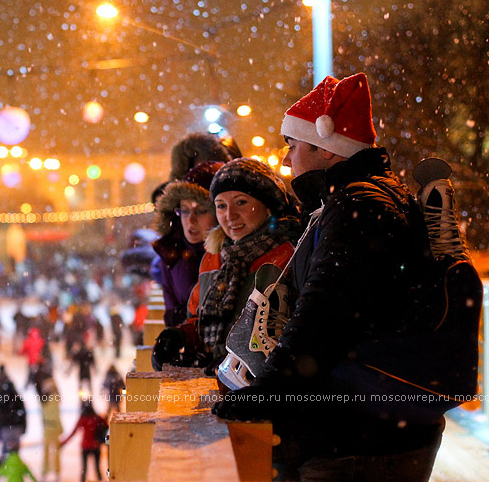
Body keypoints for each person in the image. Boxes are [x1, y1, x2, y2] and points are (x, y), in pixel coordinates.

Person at [213, 73, 450, 480]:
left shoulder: (358, 207)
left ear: (326, 148)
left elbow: (325, 317)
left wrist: (266, 393)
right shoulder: (371, 198)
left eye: (292, 145)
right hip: (377, 429)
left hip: (360, 441)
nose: (287, 159)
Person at [187, 157, 301, 368]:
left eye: (241, 202)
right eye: (221, 206)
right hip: (216, 378)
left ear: (268, 207)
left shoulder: (289, 256)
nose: (230, 215)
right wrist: (181, 337)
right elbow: (196, 317)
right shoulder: (214, 256)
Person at [152, 160, 226, 327]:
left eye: (201, 211)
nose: (190, 220)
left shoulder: (232, 253)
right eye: (184, 210)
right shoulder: (170, 252)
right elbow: (172, 314)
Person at [60, 399, 107, 482]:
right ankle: (100, 480)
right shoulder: (97, 418)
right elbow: (106, 427)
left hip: (85, 447)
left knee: (84, 469)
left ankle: (83, 480)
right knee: (98, 468)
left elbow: (73, 432)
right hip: (96, 446)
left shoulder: (83, 418)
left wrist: (64, 442)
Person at [0, 366, 27, 460]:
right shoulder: (17, 398)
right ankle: (14, 467)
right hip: (16, 426)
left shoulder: (1, 398)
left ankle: (5, 468)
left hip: (6, 426)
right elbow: (23, 413)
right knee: (15, 451)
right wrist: (24, 426)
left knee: (5, 450)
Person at [40, 378, 63, 481]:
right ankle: (55, 472)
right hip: (54, 427)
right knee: (55, 451)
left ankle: (46, 472)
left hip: (48, 427)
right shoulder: (55, 398)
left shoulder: (45, 399)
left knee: (48, 451)